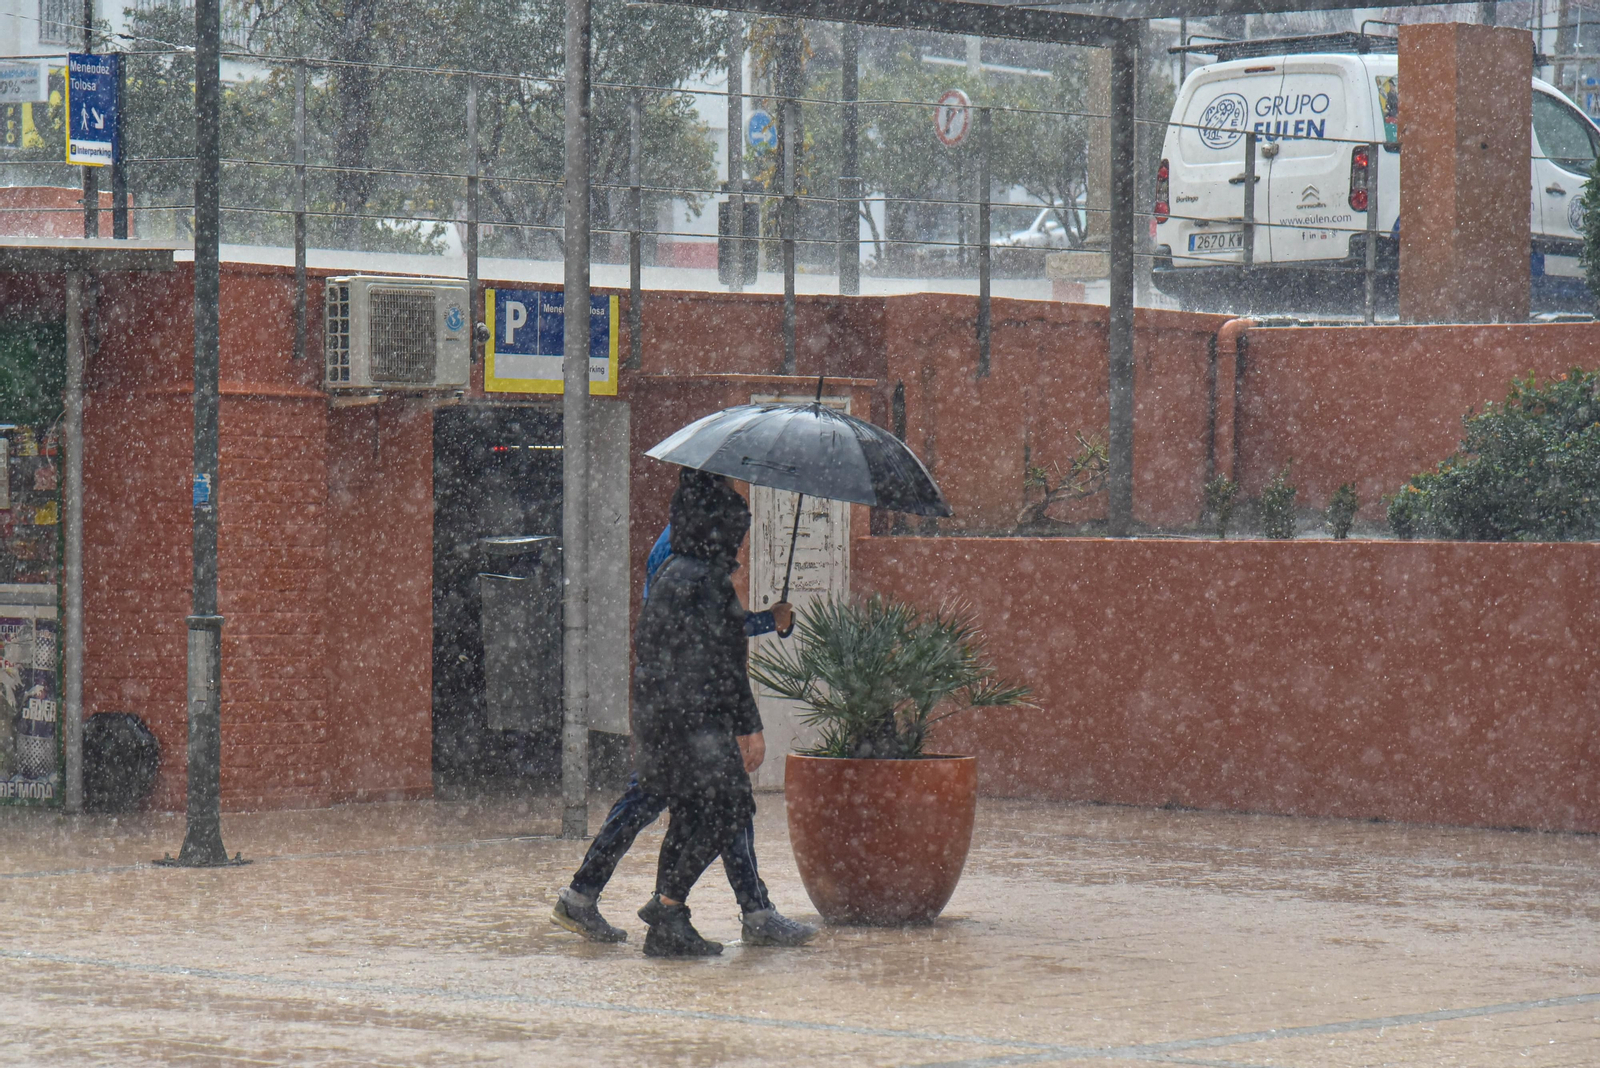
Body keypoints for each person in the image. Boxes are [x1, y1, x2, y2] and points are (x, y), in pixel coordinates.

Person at [551, 469, 817, 954]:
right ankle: (684, 908)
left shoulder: (683, 555)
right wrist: (765, 626)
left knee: (692, 807)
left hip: (671, 712)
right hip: (691, 716)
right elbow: (715, 641)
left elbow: (692, 632)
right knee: (715, 806)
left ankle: (675, 910)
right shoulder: (688, 557)